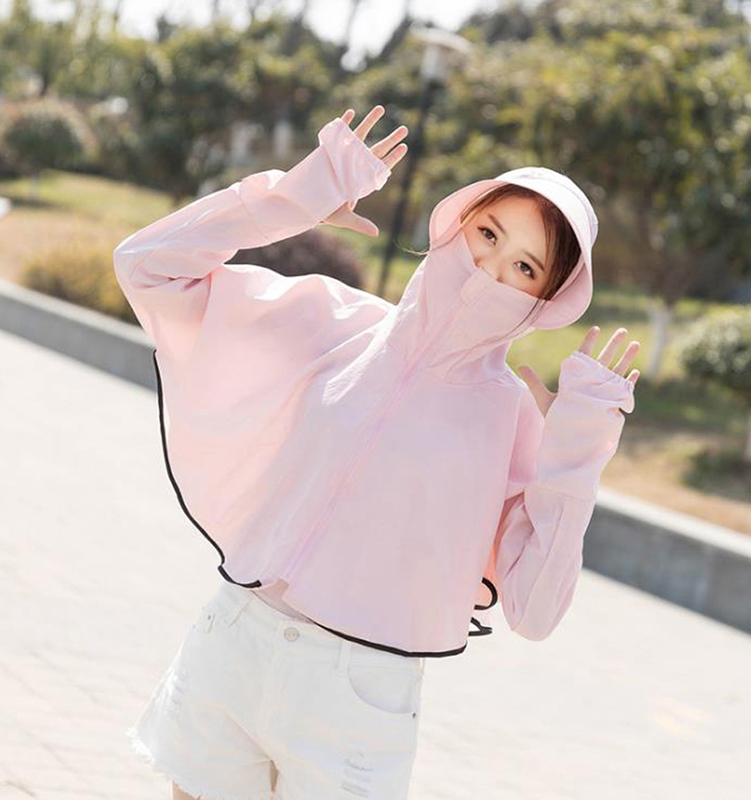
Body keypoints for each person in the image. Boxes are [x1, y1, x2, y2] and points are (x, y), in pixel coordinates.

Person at [115, 104, 640, 800]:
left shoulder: (515, 422)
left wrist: (576, 454)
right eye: (487, 233)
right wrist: (295, 198)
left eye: (524, 266)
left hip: (358, 701)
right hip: (237, 639)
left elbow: (535, 613)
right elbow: (146, 268)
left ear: (546, 300)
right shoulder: (335, 322)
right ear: (453, 223)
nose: (488, 270)